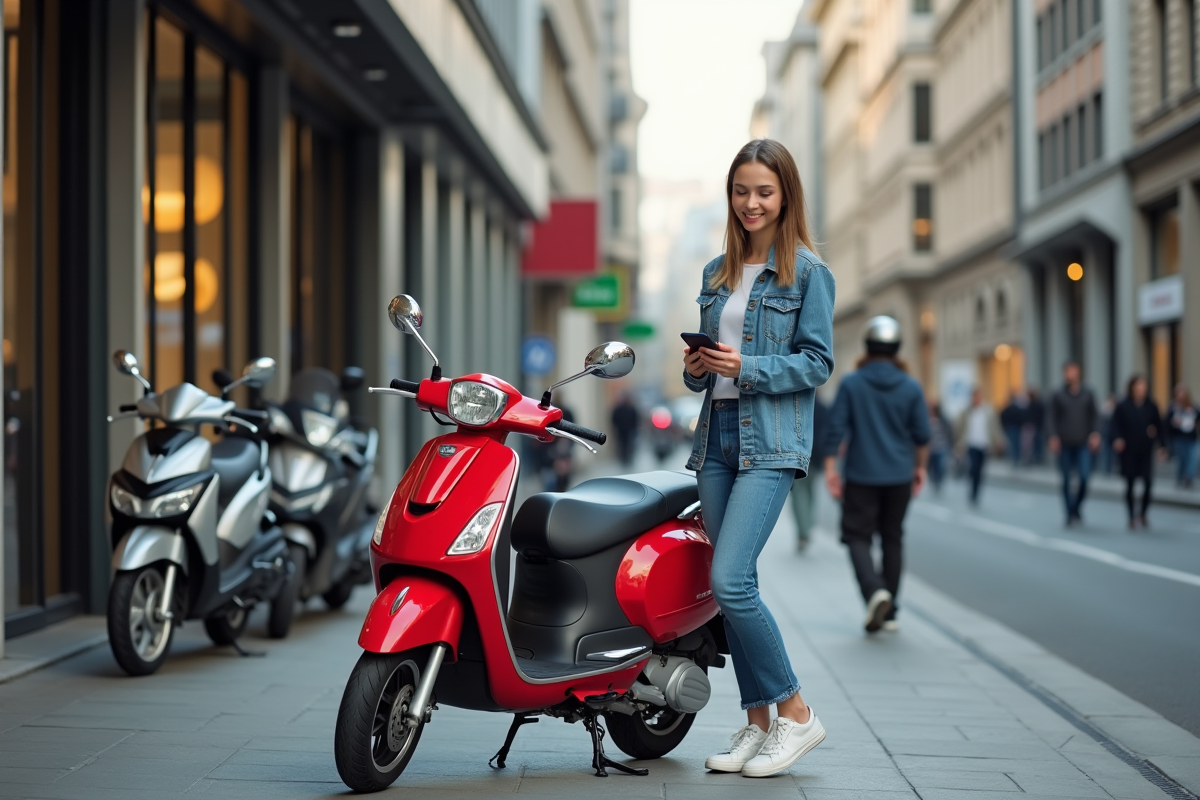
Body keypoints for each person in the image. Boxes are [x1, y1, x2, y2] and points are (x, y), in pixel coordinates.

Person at [681, 139, 833, 777]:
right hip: (716, 438)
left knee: (730, 580)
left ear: (785, 196)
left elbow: (818, 362)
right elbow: (701, 379)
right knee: (731, 589)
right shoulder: (718, 272)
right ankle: (757, 721)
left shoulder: (808, 274)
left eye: (764, 191)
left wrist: (750, 367)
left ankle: (796, 714)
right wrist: (696, 367)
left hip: (771, 442)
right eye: (741, 190)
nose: (751, 202)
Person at [824, 316, 930, 635]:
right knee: (892, 537)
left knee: (857, 536)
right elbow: (922, 434)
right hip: (899, 475)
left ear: (867, 346)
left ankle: (873, 592)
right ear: (897, 348)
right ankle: (891, 611)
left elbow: (835, 429)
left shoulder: (853, 383)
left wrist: (831, 468)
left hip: (861, 474)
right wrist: (920, 467)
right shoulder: (911, 386)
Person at [1047, 361, 1100, 526]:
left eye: (1073, 370)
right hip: (1064, 443)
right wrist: (1053, 436)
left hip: (1083, 442)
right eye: (1067, 371)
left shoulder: (1088, 392)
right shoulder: (1057, 393)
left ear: (1078, 372)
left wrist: (1095, 434)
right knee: (1066, 480)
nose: (1070, 374)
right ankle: (1069, 512)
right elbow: (1050, 418)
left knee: (1084, 477)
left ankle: (1076, 506)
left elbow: (1095, 416)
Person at [1110, 375, 1165, 529]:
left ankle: (1143, 512)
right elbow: (1115, 426)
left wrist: (1162, 446)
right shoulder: (1123, 405)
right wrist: (1117, 439)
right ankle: (1131, 516)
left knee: (1148, 482)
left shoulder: (1151, 406)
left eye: (1144, 386)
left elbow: (1159, 427)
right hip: (1128, 450)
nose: (1141, 389)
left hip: (1146, 449)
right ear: (1132, 387)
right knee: (1130, 483)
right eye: (1138, 385)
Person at [788, 396, 829, 551]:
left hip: (799, 457)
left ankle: (803, 531)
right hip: (816, 458)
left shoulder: (795, 405)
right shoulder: (823, 407)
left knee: (799, 496)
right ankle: (807, 526)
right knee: (810, 493)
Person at [955, 388, 1001, 506]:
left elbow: (995, 427)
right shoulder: (966, 411)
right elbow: (958, 427)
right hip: (971, 444)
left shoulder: (988, 411)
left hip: (984, 444)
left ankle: (976, 493)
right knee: (973, 468)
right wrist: (959, 443)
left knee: (980, 471)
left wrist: (998, 440)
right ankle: (972, 492)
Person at [1166, 384, 1199, 488]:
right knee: (1182, 460)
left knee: (1193, 459)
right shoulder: (1173, 407)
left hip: (1192, 437)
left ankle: (1189, 478)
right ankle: (1180, 478)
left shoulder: (1193, 407)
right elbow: (1166, 422)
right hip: (1179, 438)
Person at [926, 399, 952, 495]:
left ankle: (939, 481)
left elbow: (949, 433)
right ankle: (934, 480)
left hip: (941, 447)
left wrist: (950, 445)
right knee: (932, 467)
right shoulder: (927, 419)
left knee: (941, 466)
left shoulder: (943, 420)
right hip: (931, 448)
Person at [610, 393, 640, 467]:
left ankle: (628, 458)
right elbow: (614, 419)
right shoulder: (619, 409)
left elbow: (636, 420)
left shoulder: (631, 409)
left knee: (629, 445)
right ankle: (623, 459)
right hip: (621, 431)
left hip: (630, 431)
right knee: (622, 445)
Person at [999, 392, 1028, 466]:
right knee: (1016, 444)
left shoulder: (1008, 409)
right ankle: (1016, 458)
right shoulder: (1017, 409)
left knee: (1013, 444)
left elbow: (1003, 417)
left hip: (1012, 428)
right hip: (1015, 428)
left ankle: (1015, 459)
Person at [1098, 394, 1117, 474]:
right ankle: (1106, 468)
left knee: (1111, 454)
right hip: (1106, 436)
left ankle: (1109, 468)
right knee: (1106, 453)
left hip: (1112, 436)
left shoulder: (1115, 412)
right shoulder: (1104, 412)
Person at [1027, 388, 1046, 464]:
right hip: (1037, 426)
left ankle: (1037, 457)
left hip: (1035, 426)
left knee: (1036, 443)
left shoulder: (1034, 405)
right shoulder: (1038, 404)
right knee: (1036, 443)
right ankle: (1037, 457)